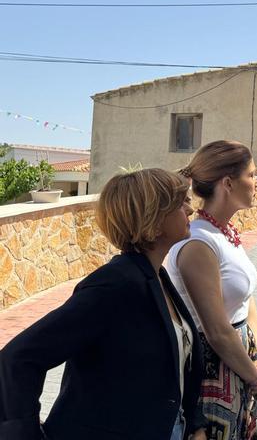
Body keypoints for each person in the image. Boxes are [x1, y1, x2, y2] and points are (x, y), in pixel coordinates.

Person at [0, 168, 205, 440]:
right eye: (180, 203)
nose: (190, 210)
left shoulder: (157, 277)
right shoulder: (115, 284)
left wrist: (194, 424)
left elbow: (175, 371)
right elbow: (18, 358)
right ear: (153, 219)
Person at [166, 140, 257, 440]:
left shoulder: (223, 233)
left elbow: (246, 300)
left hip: (241, 363)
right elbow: (216, 330)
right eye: (252, 175)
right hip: (213, 375)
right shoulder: (199, 244)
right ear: (228, 183)